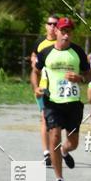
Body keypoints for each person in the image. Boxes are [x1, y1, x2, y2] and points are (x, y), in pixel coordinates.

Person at [31, 17, 91, 181]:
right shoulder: (46, 53)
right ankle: (59, 179)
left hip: (73, 104)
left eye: (69, 32)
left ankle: (65, 152)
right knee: (55, 137)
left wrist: (80, 78)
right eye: (63, 31)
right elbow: (35, 72)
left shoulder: (78, 52)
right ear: (56, 31)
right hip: (52, 102)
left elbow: (90, 76)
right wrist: (36, 88)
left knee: (73, 142)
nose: (66, 35)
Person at [30, 14, 59, 166]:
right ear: (46, 26)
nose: (53, 27)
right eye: (50, 24)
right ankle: (47, 153)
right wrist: (36, 87)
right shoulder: (40, 43)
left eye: (55, 24)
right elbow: (34, 63)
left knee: (57, 121)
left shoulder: (62, 43)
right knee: (44, 118)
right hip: (44, 86)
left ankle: (57, 150)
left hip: (59, 89)